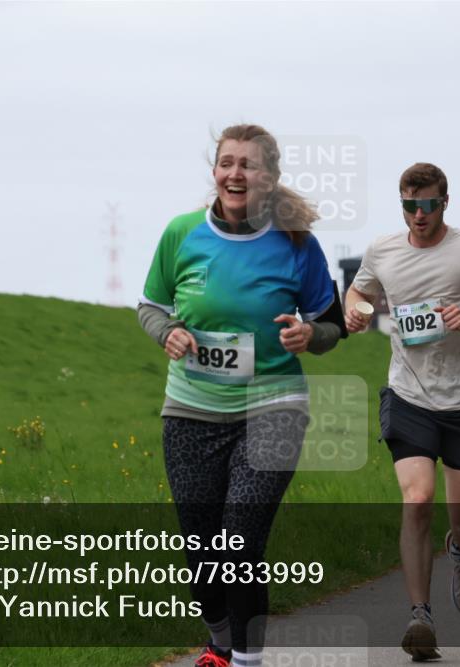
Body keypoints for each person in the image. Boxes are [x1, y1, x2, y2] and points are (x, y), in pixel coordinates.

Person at [137, 124, 345, 667]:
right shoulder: (181, 234)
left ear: (269, 179)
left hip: (273, 406)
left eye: (248, 165)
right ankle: (220, 643)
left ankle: (246, 661)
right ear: (215, 172)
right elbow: (150, 306)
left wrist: (309, 335)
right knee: (201, 550)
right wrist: (168, 333)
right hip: (190, 409)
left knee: (240, 545)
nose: (236, 173)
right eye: (227, 162)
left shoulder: (297, 245)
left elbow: (331, 325)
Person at [344, 162, 460, 661]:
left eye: (428, 205)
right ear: (401, 203)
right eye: (410, 205)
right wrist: (355, 310)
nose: (419, 215)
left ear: (445, 202)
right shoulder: (383, 250)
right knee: (418, 499)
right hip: (408, 395)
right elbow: (360, 288)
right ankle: (420, 616)